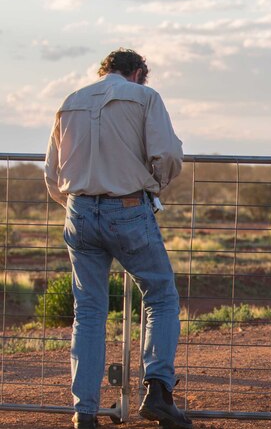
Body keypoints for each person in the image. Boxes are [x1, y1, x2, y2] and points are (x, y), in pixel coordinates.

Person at [44, 49, 192, 429]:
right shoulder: (146, 97)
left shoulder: (70, 101)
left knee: (89, 311)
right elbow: (168, 154)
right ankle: (157, 391)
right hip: (126, 209)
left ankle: (85, 412)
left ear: (103, 70)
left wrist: (77, 202)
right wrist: (150, 188)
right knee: (159, 295)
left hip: (78, 210)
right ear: (138, 72)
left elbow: (52, 171)